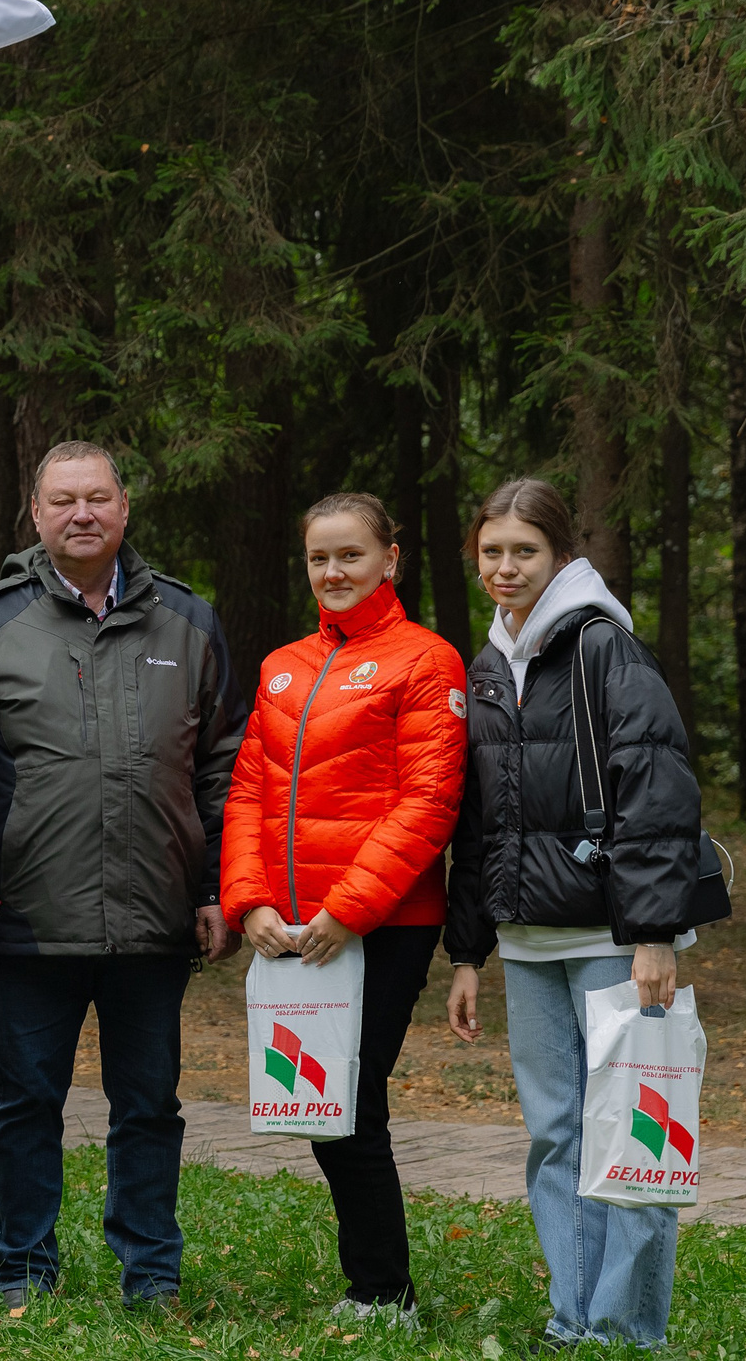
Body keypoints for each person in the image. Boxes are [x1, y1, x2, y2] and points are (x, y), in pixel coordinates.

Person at [0, 439, 242, 1310]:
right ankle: (23, 1272)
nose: (82, 513)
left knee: (149, 1106)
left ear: (123, 509)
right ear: (35, 515)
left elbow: (224, 764)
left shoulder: (187, 620)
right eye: (63, 499)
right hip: (26, 918)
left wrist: (218, 886)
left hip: (154, 917)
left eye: (98, 498)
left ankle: (151, 1273)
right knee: (24, 1105)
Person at [446, 478, 703, 1350]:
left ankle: (628, 1327)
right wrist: (470, 949)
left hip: (611, 937)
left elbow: (659, 790)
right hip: (525, 941)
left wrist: (655, 933)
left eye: (524, 550)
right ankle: (574, 1316)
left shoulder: (603, 647)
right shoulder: (487, 663)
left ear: (560, 553)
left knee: (630, 1130)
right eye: (492, 551)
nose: (505, 567)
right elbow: (477, 819)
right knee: (557, 1134)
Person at [221, 492, 467, 1329]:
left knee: (352, 1101)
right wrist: (248, 899)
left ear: (390, 558)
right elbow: (252, 785)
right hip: (293, 930)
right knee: (324, 1106)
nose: (333, 572)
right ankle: (374, 1285)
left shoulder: (426, 660)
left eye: (350, 555)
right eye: (319, 558)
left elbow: (430, 801)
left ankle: (382, 1292)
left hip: (383, 925)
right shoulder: (283, 664)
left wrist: (352, 908)